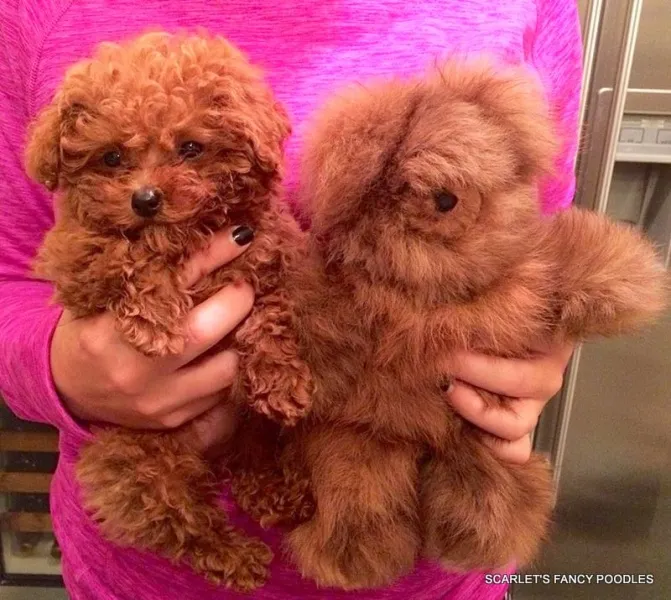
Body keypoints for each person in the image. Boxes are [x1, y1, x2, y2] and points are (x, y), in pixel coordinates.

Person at [0, 1, 581, 598]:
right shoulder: (38, 14)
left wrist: (533, 339)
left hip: (423, 542)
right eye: (116, 159)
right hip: (143, 575)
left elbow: (542, 236)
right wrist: (58, 368)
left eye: (190, 149)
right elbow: (10, 276)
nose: (148, 185)